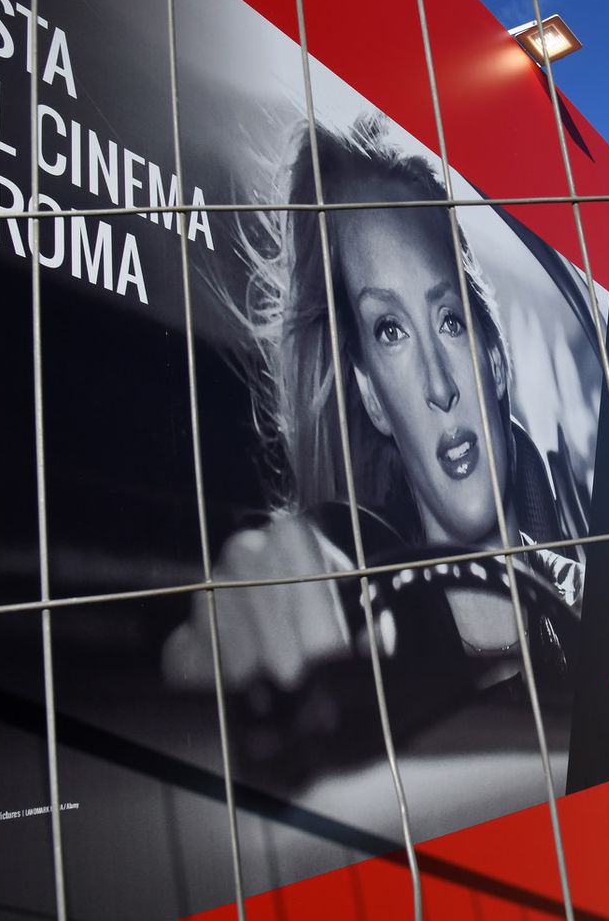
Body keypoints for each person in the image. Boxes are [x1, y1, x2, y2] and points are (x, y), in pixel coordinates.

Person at [163, 115, 580, 706]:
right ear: (372, 397)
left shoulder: (592, 596)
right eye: (390, 330)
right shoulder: (362, 615)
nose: (439, 386)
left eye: (450, 320)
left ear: (494, 359)